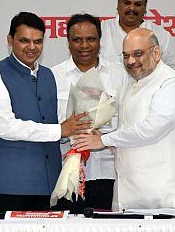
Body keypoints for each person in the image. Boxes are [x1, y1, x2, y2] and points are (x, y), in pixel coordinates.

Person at [73, 28, 175, 212]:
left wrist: (103, 140)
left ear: (156, 53)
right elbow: (131, 135)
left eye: (138, 54)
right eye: (126, 56)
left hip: (164, 197)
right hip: (130, 197)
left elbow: (150, 130)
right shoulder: (131, 85)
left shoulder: (171, 84)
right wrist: (104, 140)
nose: (131, 61)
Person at [0, 12, 92, 212]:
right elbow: (6, 127)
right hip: (5, 186)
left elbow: (55, 123)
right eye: (24, 41)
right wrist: (60, 131)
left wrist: (80, 130)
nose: (31, 47)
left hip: (47, 185)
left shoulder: (47, 75)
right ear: (10, 40)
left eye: (38, 41)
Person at [51, 13, 125, 211]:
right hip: (67, 175)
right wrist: (67, 130)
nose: (84, 45)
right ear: (68, 42)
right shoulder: (53, 76)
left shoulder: (120, 75)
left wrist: (106, 136)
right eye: (77, 40)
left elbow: (129, 122)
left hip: (110, 172)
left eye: (91, 39)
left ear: (100, 41)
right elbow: (47, 125)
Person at [100, 0, 175, 74]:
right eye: (126, 3)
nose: (131, 8)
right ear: (118, 5)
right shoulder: (101, 31)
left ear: (145, 7)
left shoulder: (161, 35)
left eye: (138, 4)